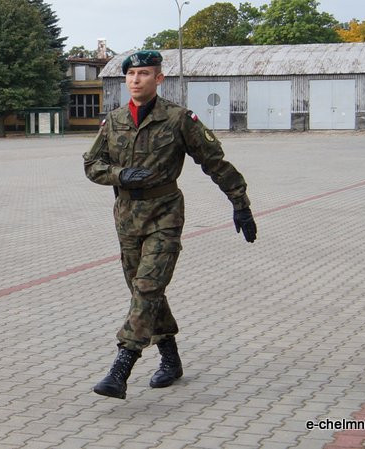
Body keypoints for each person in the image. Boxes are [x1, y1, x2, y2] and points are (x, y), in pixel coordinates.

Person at [84, 50, 258, 400]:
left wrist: (241, 205)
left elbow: (216, 163)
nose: (136, 80)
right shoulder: (114, 120)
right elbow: (92, 165)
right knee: (144, 291)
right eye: (131, 74)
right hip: (127, 217)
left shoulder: (179, 119)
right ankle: (171, 360)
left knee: (148, 287)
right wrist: (119, 174)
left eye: (144, 73)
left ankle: (122, 365)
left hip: (165, 214)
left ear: (158, 79)